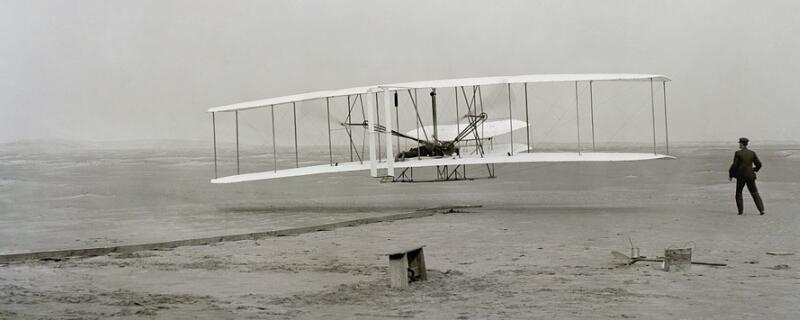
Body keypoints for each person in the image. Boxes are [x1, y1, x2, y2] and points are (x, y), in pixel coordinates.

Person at [728, 137, 765, 215]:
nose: (739, 144)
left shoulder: (738, 153)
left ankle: (740, 211)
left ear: (741, 144)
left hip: (741, 176)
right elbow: (759, 164)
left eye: (739, 143)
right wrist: (754, 170)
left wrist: (731, 174)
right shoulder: (752, 153)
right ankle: (761, 210)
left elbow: (734, 165)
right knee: (754, 192)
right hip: (750, 176)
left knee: (739, 193)